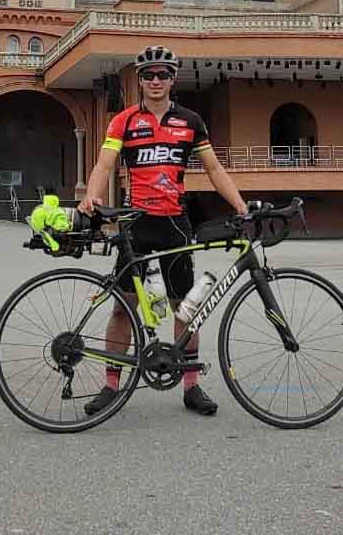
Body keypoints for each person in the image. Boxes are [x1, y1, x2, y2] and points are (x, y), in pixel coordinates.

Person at [76, 44, 249, 417]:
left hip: (174, 223)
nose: (156, 81)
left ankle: (190, 387)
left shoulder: (190, 121)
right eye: (149, 75)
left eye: (163, 75)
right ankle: (110, 386)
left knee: (184, 309)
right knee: (124, 310)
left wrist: (240, 204)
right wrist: (90, 197)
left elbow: (215, 170)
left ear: (173, 80)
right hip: (135, 225)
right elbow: (104, 165)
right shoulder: (123, 121)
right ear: (140, 80)